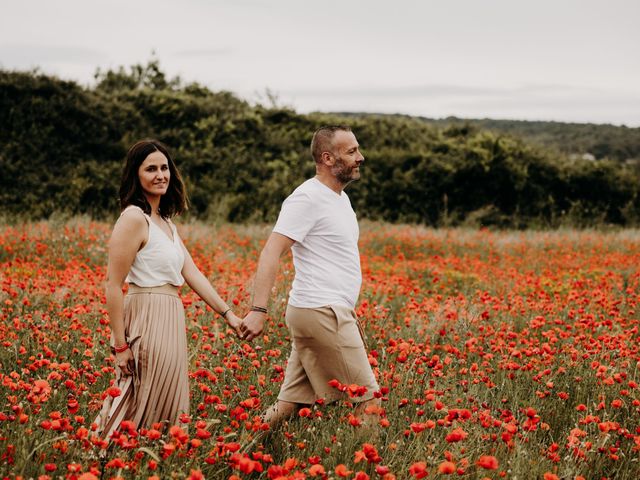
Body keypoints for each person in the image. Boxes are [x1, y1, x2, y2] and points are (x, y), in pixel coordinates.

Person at [95, 139, 242, 439]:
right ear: (135, 176)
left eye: (164, 168)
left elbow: (192, 273)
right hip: (146, 315)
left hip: (171, 316)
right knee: (138, 394)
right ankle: (106, 458)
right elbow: (113, 285)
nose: (160, 174)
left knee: (167, 398)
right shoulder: (133, 218)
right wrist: (120, 346)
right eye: (151, 169)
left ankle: (156, 458)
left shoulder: (165, 221)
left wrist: (229, 316)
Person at [240, 125, 380, 428]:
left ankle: (235, 454)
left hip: (324, 310)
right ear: (328, 158)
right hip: (322, 311)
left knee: (290, 405)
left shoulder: (340, 199)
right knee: (367, 401)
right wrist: (258, 310)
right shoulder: (307, 198)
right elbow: (270, 252)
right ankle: (366, 469)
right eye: (351, 151)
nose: (361, 157)